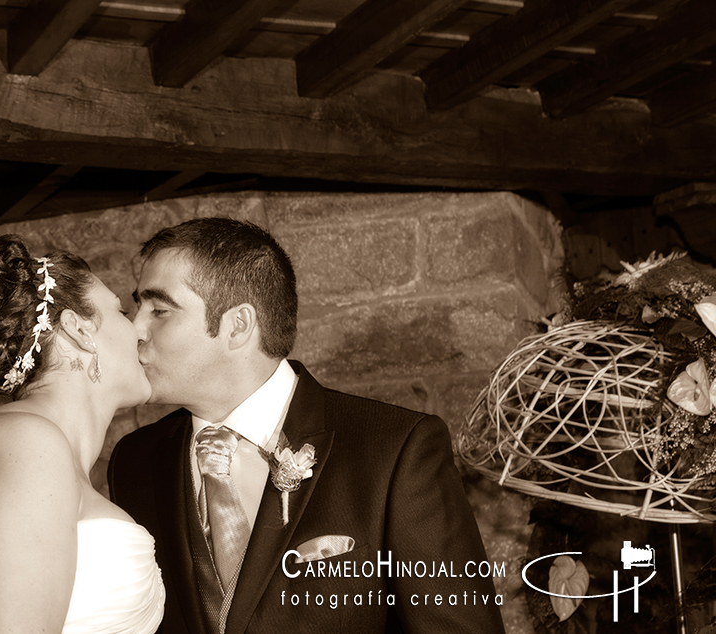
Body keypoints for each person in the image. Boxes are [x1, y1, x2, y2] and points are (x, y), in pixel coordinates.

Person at [108, 217, 506, 634]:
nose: (134, 329)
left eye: (159, 310)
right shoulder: (133, 460)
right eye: (137, 308)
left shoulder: (394, 449)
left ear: (238, 326)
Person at [0, 235, 165, 634]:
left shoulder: (33, 446)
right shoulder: (25, 444)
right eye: (121, 310)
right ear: (78, 330)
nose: (138, 331)